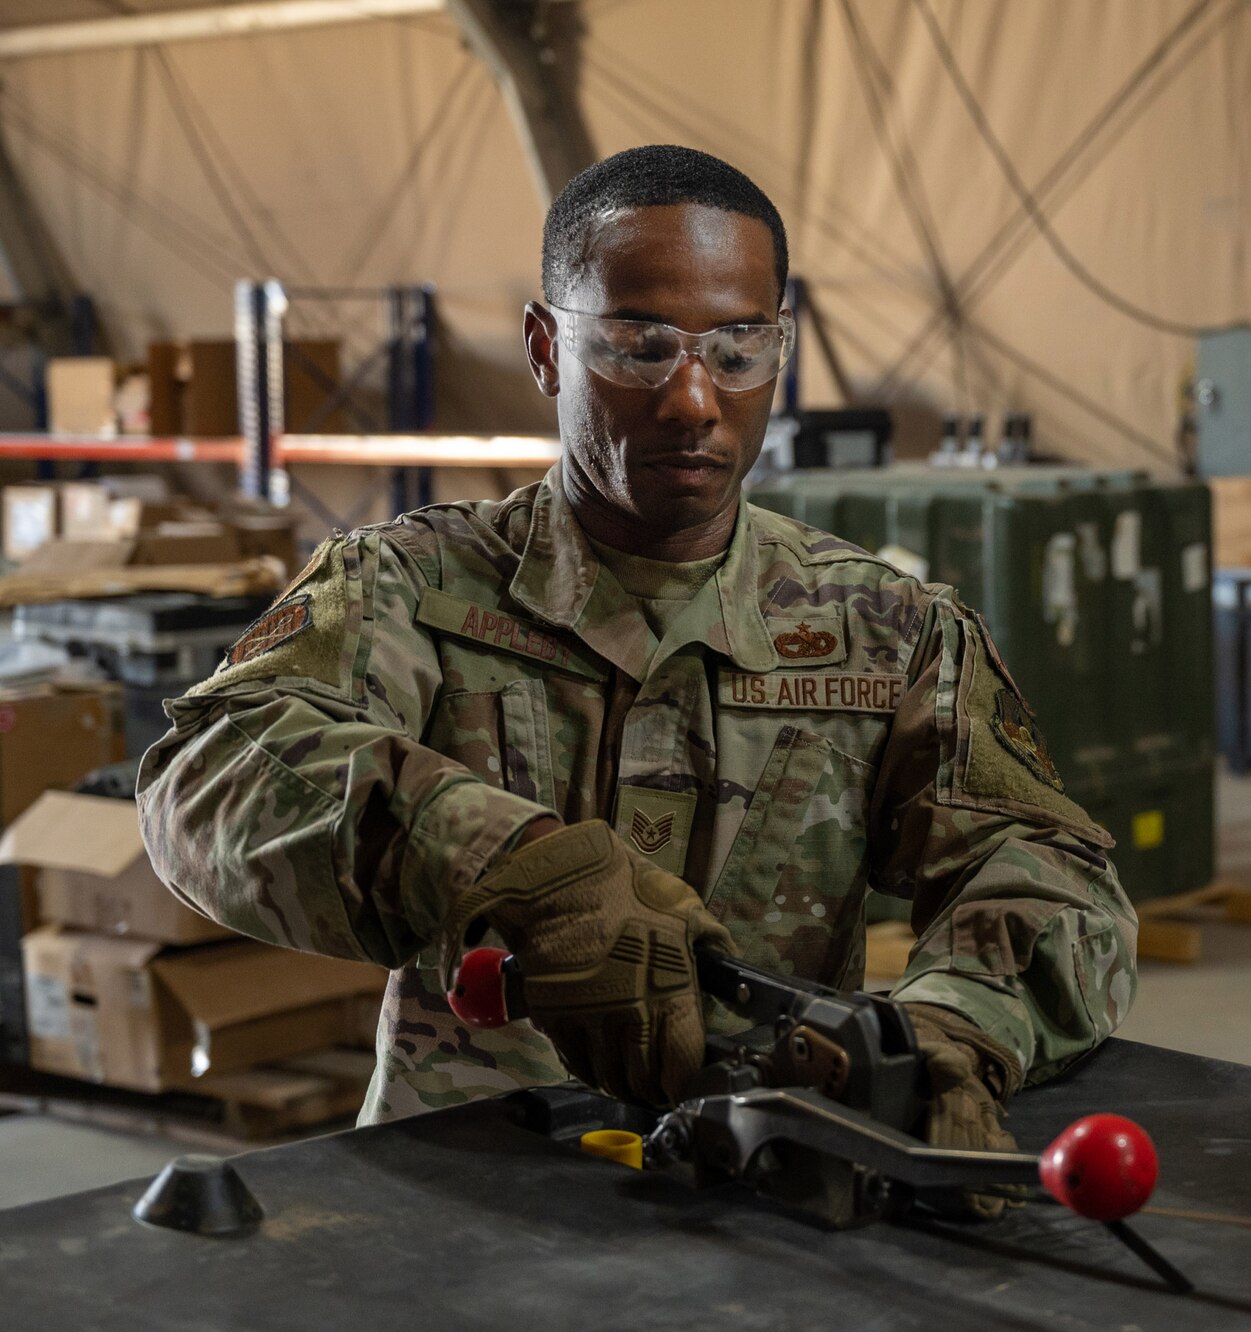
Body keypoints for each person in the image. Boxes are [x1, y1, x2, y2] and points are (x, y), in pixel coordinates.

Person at [135, 146, 1138, 1180]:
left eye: (740, 348)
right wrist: (512, 869)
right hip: (464, 1184)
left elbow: (1046, 874)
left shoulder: (884, 628)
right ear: (543, 348)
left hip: (772, 1183)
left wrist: (952, 1030)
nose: (695, 399)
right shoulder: (408, 588)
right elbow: (209, 773)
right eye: (637, 345)